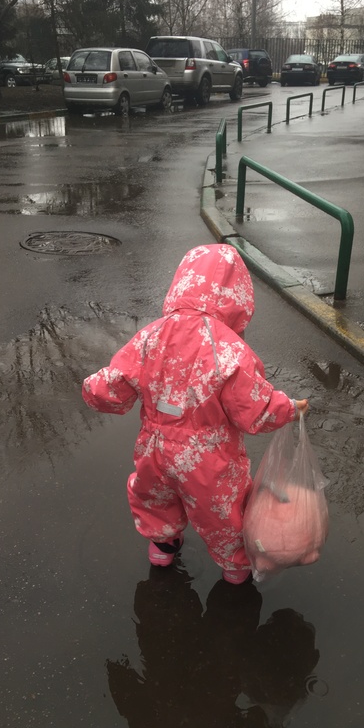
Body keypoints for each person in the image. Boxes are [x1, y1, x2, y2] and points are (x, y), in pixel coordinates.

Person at [82, 243, 308, 584]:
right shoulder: (229, 349)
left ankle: (162, 548)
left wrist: (91, 388)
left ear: (182, 282)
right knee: (221, 512)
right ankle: (235, 568)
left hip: (155, 446)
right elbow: (253, 408)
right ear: (236, 295)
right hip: (208, 457)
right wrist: (288, 408)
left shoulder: (151, 335)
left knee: (155, 497)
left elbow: (115, 383)